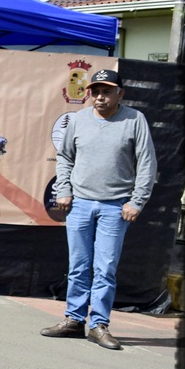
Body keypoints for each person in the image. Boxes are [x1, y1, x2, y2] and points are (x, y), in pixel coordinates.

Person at [41, 67, 156, 349]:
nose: (100, 97)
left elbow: (147, 164)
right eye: (95, 92)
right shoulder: (79, 120)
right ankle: (74, 320)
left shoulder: (135, 120)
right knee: (78, 266)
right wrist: (64, 190)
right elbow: (65, 157)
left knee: (105, 268)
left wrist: (137, 201)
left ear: (120, 94)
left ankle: (98, 325)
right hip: (79, 204)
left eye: (107, 92)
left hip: (115, 207)